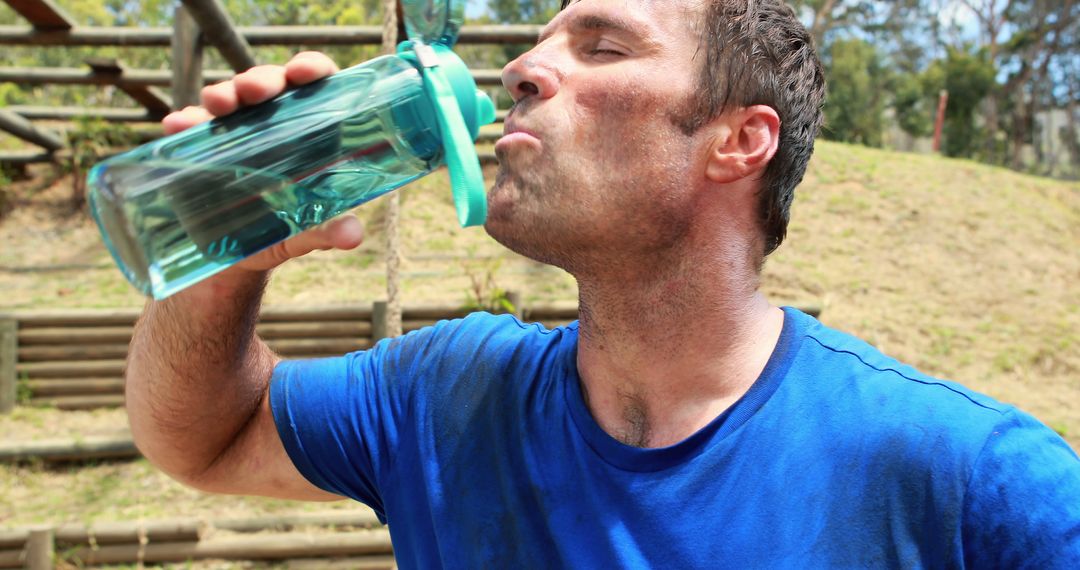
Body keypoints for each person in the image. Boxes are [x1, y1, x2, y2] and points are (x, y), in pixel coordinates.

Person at [127, 0, 1080, 567]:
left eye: (603, 46)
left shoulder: (975, 481)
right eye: (542, 41)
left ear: (739, 140)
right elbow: (204, 441)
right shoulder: (447, 394)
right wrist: (221, 267)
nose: (522, 67)